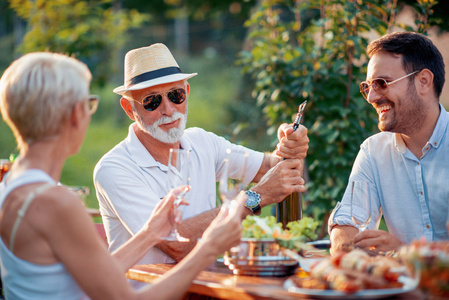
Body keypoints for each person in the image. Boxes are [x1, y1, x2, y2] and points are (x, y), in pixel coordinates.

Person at [0, 52, 245, 300]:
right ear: (75, 114)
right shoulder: (57, 203)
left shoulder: (11, 184)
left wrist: (149, 233)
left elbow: (95, 276)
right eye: (88, 104)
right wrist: (209, 249)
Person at [93, 43, 309, 264]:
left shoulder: (202, 142)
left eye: (175, 95)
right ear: (130, 109)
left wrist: (290, 144)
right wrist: (253, 198)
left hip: (208, 287)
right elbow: (176, 245)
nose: (168, 109)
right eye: (152, 101)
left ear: (186, 92)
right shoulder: (115, 168)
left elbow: (274, 169)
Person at [328, 32, 449, 254]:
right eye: (368, 86)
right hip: (399, 287)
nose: (372, 97)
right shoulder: (373, 151)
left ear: (423, 81)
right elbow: (347, 222)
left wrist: (406, 254)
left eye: (382, 83)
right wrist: (347, 247)